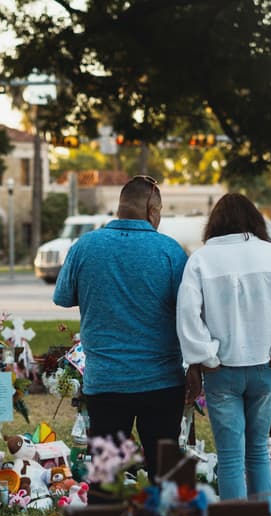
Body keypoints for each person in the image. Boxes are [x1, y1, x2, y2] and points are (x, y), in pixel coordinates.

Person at [177, 193, 271, 516]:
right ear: (254, 219)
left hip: (223, 371)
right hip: (266, 366)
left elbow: (188, 313)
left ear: (214, 223)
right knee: (258, 453)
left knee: (232, 456)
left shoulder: (201, 260)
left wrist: (206, 357)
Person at [53, 176, 190, 484]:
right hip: (161, 381)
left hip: (106, 381)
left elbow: (62, 297)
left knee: (106, 475)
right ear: (152, 210)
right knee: (163, 475)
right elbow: (190, 311)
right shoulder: (170, 251)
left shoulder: (86, 245)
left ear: (120, 207)